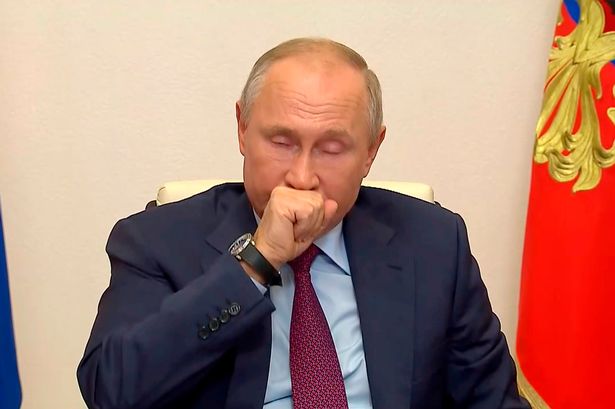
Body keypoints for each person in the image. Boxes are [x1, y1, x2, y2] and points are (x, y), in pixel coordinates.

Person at [78, 37, 529, 409]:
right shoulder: (156, 240)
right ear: (242, 128)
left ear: (371, 151)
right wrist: (257, 261)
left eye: (332, 149)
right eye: (282, 142)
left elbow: (493, 400)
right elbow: (111, 392)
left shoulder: (434, 243)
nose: (301, 176)